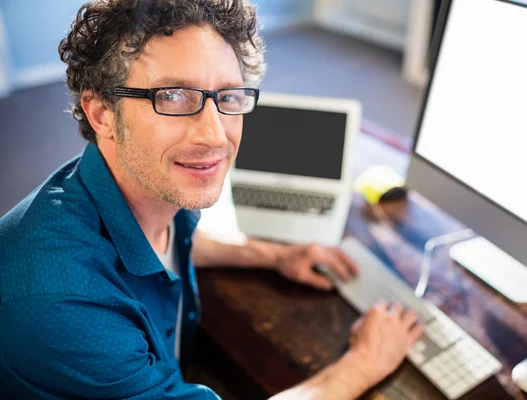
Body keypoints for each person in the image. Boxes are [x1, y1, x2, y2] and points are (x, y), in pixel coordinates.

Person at [0, 0, 424, 399]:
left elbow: (161, 243)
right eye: (171, 96)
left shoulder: (149, 186)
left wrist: (271, 255)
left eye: (227, 96)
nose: (215, 135)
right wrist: (363, 363)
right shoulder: (63, 303)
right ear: (101, 114)